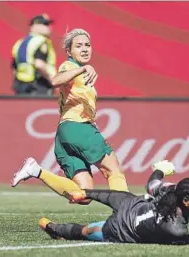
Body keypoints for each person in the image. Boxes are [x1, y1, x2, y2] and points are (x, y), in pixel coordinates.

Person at [11, 28, 128, 204]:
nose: (85, 49)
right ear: (69, 51)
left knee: (84, 195)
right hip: (78, 127)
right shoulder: (71, 66)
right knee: (113, 170)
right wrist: (82, 69)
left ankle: (36, 171)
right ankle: (128, 212)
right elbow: (55, 80)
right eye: (78, 46)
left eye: (87, 45)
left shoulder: (80, 71)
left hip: (65, 133)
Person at [38, 161, 189, 245]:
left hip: (129, 205)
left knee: (87, 228)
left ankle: (52, 227)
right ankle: (55, 226)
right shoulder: (175, 228)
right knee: (87, 232)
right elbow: (184, 239)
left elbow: (152, 184)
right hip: (121, 226)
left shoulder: (172, 191)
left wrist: (160, 169)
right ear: (186, 201)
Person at [11, 14, 57, 95]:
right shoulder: (41, 41)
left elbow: (15, 68)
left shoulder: (20, 43)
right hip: (39, 85)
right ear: (33, 26)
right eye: (45, 24)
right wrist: (53, 80)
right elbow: (39, 64)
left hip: (21, 86)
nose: (48, 27)